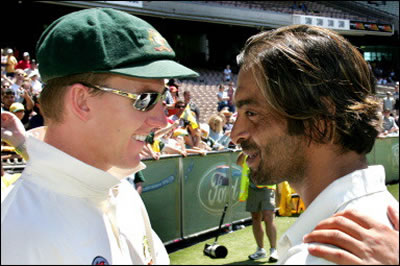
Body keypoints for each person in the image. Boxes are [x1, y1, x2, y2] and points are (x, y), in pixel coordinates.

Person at [1, 7, 198, 265]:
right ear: (82, 101)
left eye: (165, 98)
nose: (162, 120)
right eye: (146, 99)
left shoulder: (123, 195)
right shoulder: (21, 231)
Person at [231, 24, 399, 264]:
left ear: (318, 119)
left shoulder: (324, 254)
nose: (236, 134)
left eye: (252, 113)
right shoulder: (379, 224)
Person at [237, 152, 278, 262]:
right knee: (255, 218)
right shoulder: (248, 150)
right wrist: (244, 151)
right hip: (252, 187)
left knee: (268, 217)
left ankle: (273, 250)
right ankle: (260, 250)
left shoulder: (265, 146)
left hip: (267, 186)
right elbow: (239, 162)